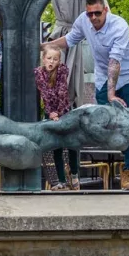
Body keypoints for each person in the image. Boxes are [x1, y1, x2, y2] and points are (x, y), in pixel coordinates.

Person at [43, 0, 129, 190]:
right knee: (106, 128)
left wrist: (112, 94)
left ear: (106, 11)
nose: (93, 18)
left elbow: (115, 61)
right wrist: (45, 46)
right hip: (104, 79)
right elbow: (69, 40)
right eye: (89, 14)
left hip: (128, 77)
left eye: (97, 13)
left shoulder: (119, 26)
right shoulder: (84, 21)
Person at [35, 45, 79, 190]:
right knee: (57, 146)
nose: (51, 62)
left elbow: (62, 92)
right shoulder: (39, 73)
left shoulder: (62, 71)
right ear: (43, 58)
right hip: (51, 112)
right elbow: (45, 94)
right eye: (49, 58)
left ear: (59, 61)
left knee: (72, 143)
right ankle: (61, 180)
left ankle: (74, 173)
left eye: (55, 59)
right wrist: (50, 112)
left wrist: (59, 113)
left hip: (64, 110)